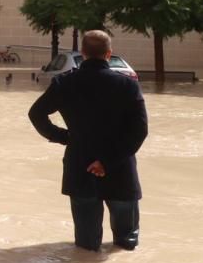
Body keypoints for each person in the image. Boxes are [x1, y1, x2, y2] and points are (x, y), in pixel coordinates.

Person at [27, 30, 148, 251]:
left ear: (82, 54)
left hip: (80, 166)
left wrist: (63, 137)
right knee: (126, 243)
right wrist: (107, 161)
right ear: (109, 54)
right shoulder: (127, 85)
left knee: (86, 246)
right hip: (121, 169)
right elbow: (139, 131)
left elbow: (36, 114)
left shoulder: (65, 83)